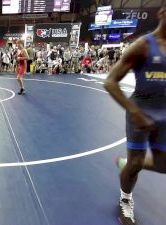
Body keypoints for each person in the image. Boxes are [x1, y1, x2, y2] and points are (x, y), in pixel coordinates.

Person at [104, 5, 166, 225]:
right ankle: (125, 199)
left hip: (164, 113)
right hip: (140, 109)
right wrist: (134, 112)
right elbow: (110, 81)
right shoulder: (144, 45)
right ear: (162, 13)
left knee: (163, 166)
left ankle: (124, 163)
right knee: (137, 163)